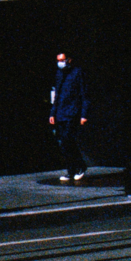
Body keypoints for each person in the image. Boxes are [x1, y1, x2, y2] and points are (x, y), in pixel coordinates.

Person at [48, 52, 90, 183]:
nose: (60, 63)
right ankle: (70, 171)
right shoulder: (59, 74)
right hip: (60, 113)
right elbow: (57, 95)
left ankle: (80, 166)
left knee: (68, 140)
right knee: (63, 143)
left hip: (72, 112)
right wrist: (52, 113)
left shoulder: (77, 73)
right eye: (58, 60)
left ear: (69, 60)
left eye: (63, 60)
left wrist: (84, 115)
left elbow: (84, 95)